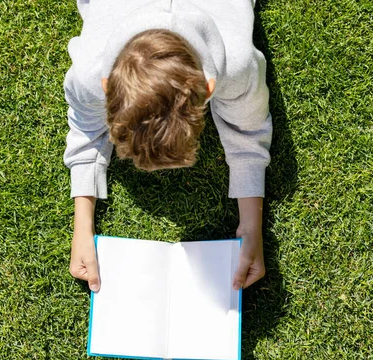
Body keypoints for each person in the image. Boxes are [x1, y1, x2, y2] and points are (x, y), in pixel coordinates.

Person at [64, 0, 271, 293]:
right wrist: (81, 228)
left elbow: (248, 131)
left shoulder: (237, 67)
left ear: (210, 87)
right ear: (106, 86)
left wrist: (252, 228)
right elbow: (85, 127)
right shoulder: (88, 78)